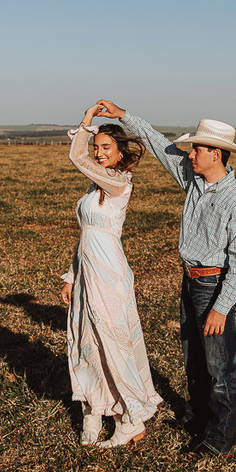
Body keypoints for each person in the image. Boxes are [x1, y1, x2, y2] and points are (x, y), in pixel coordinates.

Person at [95, 100, 236, 459]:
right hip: (190, 282)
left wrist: (221, 308)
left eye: (197, 148)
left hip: (214, 288)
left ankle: (219, 440)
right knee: (194, 359)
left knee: (219, 366)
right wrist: (123, 116)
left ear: (216, 154)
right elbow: (156, 143)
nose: (191, 152)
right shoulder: (192, 178)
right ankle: (198, 418)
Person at [60, 103, 163, 448]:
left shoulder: (119, 183)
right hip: (87, 271)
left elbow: (77, 158)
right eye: (97, 148)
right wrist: (71, 276)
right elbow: (86, 236)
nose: (99, 153)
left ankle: (129, 419)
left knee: (112, 343)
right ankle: (92, 410)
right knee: (86, 341)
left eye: (106, 148)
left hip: (109, 273)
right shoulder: (94, 190)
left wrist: (87, 121)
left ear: (120, 154)